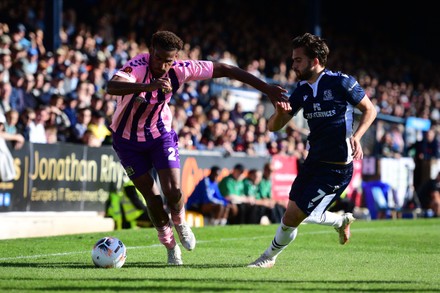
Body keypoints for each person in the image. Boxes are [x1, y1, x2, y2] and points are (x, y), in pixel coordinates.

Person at [106, 30, 287, 265]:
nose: (163, 65)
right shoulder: (137, 66)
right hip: (126, 141)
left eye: (169, 60)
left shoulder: (180, 69)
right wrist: (147, 87)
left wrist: (267, 89)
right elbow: (112, 86)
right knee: (151, 197)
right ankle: (171, 247)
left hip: (159, 135)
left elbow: (226, 69)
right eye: (159, 58)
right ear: (151, 50)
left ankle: (180, 222)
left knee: (173, 191)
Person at [248, 33, 377, 268]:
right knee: (294, 213)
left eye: (298, 60)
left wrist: (357, 137)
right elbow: (272, 127)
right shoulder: (301, 91)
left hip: (336, 169)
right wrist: (278, 112)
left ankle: (268, 258)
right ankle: (340, 221)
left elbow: (370, 110)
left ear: (315, 60)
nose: (293, 65)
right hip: (313, 162)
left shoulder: (341, 83)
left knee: (293, 217)